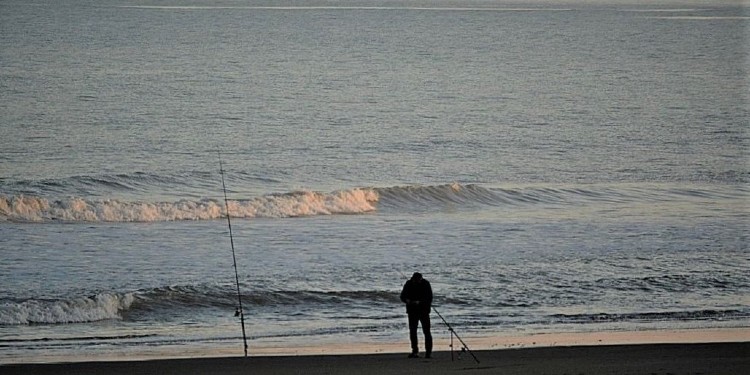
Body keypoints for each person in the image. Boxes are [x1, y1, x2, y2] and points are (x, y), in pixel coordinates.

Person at [400, 272, 433, 358]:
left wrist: (420, 302)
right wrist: (407, 301)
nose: (416, 282)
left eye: (418, 280)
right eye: (415, 280)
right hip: (412, 311)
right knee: (413, 331)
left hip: (424, 311)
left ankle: (428, 352)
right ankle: (415, 351)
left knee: (426, 331)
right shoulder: (408, 283)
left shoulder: (425, 284)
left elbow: (429, 298)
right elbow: (402, 296)